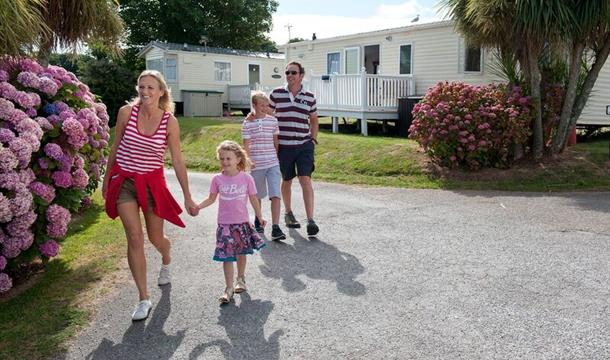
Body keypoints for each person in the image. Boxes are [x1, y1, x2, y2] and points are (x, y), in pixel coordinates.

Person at [102, 70, 197, 321]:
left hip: (152, 184)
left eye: (150, 88)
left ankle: (166, 257)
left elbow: (177, 160)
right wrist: (106, 179)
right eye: (141, 87)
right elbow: (116, 147)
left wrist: (187, 195)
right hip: (124, 181)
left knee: (156, 238)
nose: (145, 92)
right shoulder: (126, 113)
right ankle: (143, 298)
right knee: (134, 236)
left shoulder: (169, 122)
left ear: (161, 91)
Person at [196, 140, 266, 303]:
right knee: (227, 256)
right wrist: (198, 207)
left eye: (228, 158)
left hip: (241, 223)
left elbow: (254, 198)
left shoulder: (246, 178)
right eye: (222, 158)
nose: (225, 162)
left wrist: (259, 216)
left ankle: (240, 279)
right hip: (224, 225)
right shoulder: (217, 179)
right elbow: (211, 199)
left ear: (238, 159)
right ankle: (228, 289)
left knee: (241, 253)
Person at [269, 61, 320, 237]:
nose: (290, 75)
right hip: (284, 146)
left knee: (305, 179)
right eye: (287, 72)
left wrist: (313, 139)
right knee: (287, 179)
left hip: (304, 145)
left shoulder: (310, 97)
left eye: (293, 72)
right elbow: (266, 114)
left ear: (301, 75)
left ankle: (310, 220)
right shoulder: (276, 94)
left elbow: (314, 119)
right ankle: (288, 213)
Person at [242, 91, 286, 241]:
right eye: (262, 105)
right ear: (254, 105)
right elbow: (246, 145)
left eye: (267, 105)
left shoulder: (273, 121)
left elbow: (276, 142)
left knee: (275, 194)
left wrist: (278, 158)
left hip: (273, 163)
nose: (265, 108)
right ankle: (258, 219)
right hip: (256, 164)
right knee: (258, 195)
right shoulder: (248, 123)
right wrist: (247, 162)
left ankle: (276, 227)